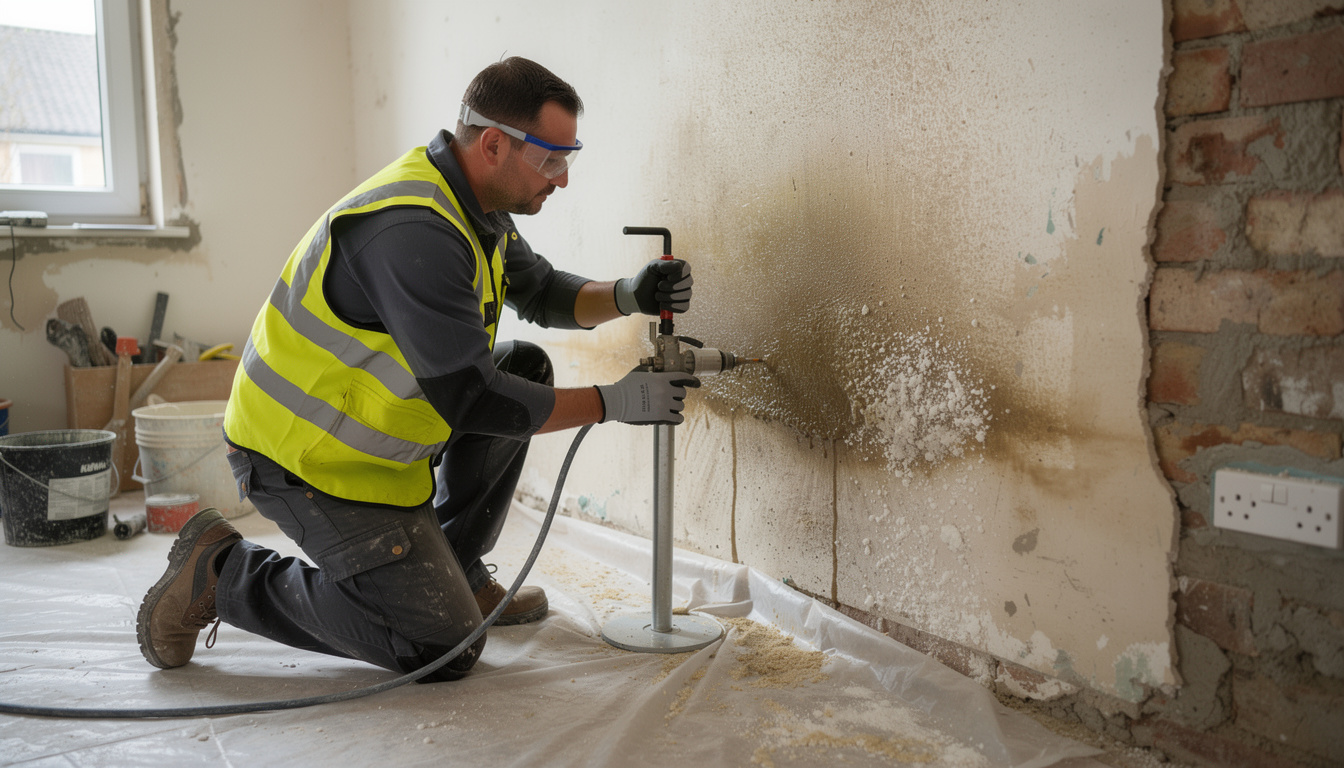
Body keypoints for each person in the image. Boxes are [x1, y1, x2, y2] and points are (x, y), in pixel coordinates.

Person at [136, 57, 696, 682]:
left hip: (368, 445)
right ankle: (222, 576)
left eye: (570, 158)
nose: (562, 179)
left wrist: (628, 294)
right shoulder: (414, 229)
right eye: (550, 160)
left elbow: (541, 293)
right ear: (493, 144)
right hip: (304, 457)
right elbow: (473, 400)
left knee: (526, 367)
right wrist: (614, 401)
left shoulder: (475, 203)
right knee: (442, 646)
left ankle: (456, 566)